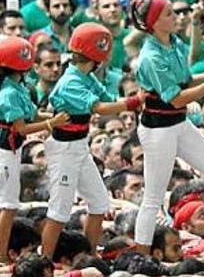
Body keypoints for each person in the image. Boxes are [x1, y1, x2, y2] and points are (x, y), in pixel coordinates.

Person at [129, 0, 204, 254]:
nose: (175, 17)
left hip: (178, 124)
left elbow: (187, 80)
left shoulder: (174, 42)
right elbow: (177, 98)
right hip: (158, 130)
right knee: (154, 197)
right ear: (154, 23)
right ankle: (141, 255)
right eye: (168, 13)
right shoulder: (149, 57)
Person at [40, 23, 144, 259]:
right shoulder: (71, 81)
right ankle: (44, 261)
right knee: (59, 210)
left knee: (99, 203)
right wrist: (134, 102)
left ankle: (89, 255)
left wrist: (137, 99)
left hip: (79, 146)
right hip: (64, 149)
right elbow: (100, 107)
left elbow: (108, 99)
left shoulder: (86, 76)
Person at [0, 37, 68, 261]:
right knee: (8, 206)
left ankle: (0, 251)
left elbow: (32, 115)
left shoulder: (18, 87)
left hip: (12, 152)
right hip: (4, 152)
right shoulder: (7, 94)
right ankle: (1, 255)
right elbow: (22, 128)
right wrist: (53, 123)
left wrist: (57, 118)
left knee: (7, 204)